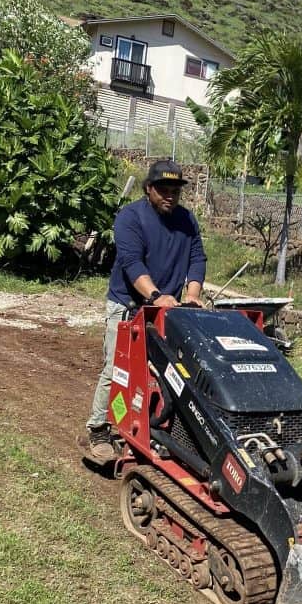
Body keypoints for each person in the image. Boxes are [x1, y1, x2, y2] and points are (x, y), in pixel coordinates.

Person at [84, 158, 207, 463]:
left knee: (169, 374)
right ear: (148, 188)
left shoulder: (187, 220)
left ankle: (157, 428)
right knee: (118, 370)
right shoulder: (130, 217)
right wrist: (155, 295)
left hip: (168, 309)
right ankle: (99, 428)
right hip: (128, 306)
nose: (170, 195)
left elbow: (197, 258)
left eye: (175, 190)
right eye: (163, 189)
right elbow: (131, 261)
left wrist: (191, 295)